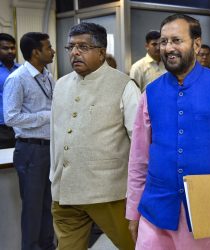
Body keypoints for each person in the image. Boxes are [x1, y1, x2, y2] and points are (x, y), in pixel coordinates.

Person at [126, 14, 210, 250]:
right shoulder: (150, 93)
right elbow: (138, 159)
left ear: (196, 44)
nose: (168, 48)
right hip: (157, 209)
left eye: (176, 40)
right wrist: (133, 211)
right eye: (164, 41)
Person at [50, 22, 139, 250]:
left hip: (109, 192)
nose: (75, 52)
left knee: (135, 245)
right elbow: (56, 134)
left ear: (101, 52)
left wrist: (138, 189)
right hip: (66, 191)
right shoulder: (60, 85)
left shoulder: (124, 86)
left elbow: (139, 143)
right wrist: (54, 176)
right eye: (70, 47)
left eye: (83, 47)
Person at [3, 32, 56, 250]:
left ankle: (48, 246)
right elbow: (11, 117)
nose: (52, 50)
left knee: (48, 206)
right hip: (30, 150)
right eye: (48, 47)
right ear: (36, 52)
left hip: (48, 148)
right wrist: (47, 115)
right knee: (33, 208)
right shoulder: (17, 78)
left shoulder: (47, 75)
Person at [0, 33, 20, 149]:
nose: (10, 51)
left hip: (20, 125)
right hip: (1, 126)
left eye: (12, 48)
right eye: (5, 48)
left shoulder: (22, 70)